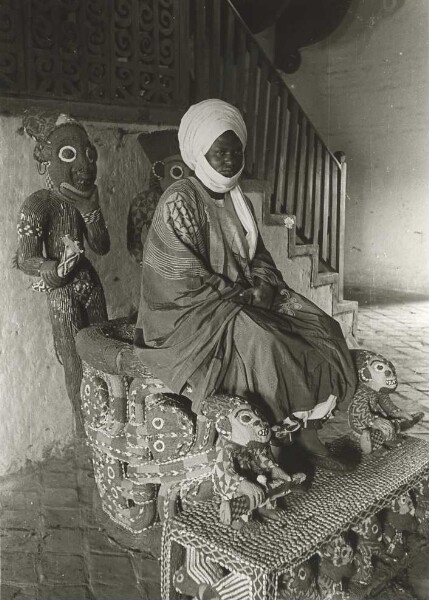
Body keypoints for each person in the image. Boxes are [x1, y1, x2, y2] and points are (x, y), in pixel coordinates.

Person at [134, 99, 357, 470]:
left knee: (321, 326)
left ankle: (308, 429)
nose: (229, 160)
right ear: (198, 153)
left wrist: (267, 286)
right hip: (190, 313)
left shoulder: (240, 200)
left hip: (244, 296)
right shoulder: (179, 200)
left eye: (236, 151)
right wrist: (242, 295)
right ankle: (267, 446)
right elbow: (181, 278)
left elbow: (260, 259)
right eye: (219, 152)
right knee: (265, 341)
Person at [16, 112, 109, 433]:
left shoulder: (84, 200)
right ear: (45, 164)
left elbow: (101, 246)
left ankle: (107, 422)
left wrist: (90, 211)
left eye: (88, 153)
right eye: (69, 154)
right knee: (73, 362)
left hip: (89, 283)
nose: (84, 165)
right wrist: (51, 268)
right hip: (62, 293)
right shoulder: (39, 204)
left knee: (103, 351)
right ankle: (84, 431)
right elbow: (26, 258)